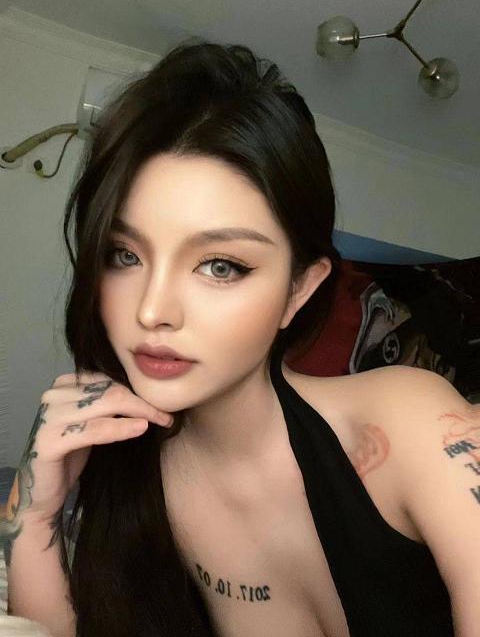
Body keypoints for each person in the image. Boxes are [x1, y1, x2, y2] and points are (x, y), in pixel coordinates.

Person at [1, 39, 477, 637]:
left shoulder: (410, 424)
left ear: (298, 291)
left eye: (220, 265)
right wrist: (34, 513)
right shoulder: (132, 475)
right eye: (125, 254)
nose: (152, 310)